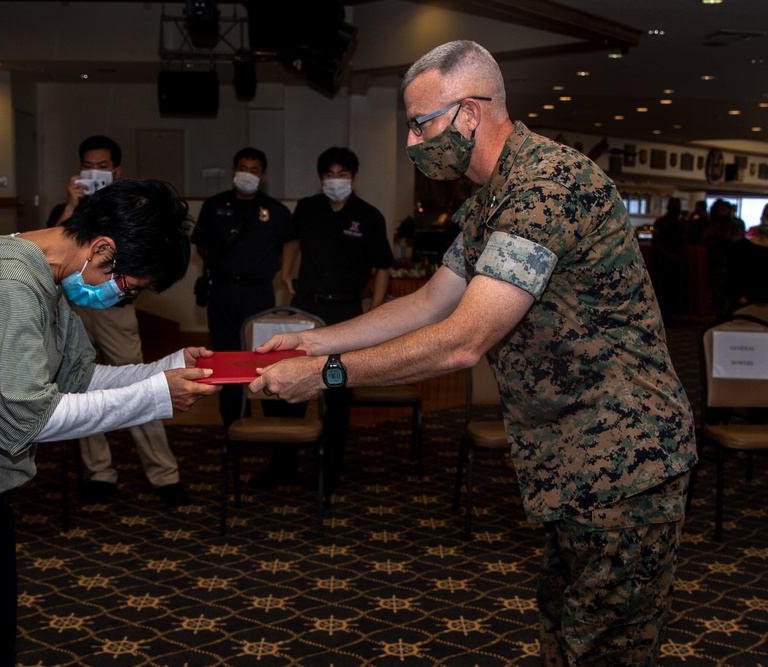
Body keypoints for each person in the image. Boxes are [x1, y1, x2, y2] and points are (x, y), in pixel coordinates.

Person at [251, 40, 696, 665]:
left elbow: (462, 339)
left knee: (604, 648)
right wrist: (313, 338)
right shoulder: (494, 199)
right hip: (572, 456)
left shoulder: (548, 185)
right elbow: (431, 301)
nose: (410, 143)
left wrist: (326, 374)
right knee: (565, 633)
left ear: (468, 114)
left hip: (624, 459)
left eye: (419, 123)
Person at [0, 179, 219, 667]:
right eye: (127, 288)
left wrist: (165, 368)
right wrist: (156, 397)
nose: (121, 301)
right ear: (103, 249)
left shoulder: (42, 276)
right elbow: (32, 416)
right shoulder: (6, 284)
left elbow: (77, 378)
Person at [47, 135, 189, 506]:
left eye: (102, 166)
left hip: (116, 310)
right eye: (89, 165)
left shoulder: (127, 211)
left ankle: (164, 475)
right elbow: (53, 253)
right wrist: (73, 203)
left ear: (117, 170)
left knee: (141, 384)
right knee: (78, 387)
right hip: (74, 311)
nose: (96, 172)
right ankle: (100, 472)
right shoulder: (71, 208)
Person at [252, 146, 394, 493]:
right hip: (305, 311)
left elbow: (383, 268)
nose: (335, 181)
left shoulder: (370, 216)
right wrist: (286, 272)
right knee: (289, 386)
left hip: (347, 312)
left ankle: (330, 470)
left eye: (342, 174)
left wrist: (373, 312)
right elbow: (292, 241)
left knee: (338, 392)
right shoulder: (307, 208)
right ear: (320, 178)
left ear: (354, 177)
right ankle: (283, 464)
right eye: (328, 174)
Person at [191, 147, 292, 426]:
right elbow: (203, 247)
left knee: (264, 360)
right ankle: (234, 423)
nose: (247, 174)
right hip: (223, 293)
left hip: (259, 294)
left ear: (264, 175)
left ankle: (272, 425)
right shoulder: (213, 206)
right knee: (225, 358)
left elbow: (289, 247)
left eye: (254, 169)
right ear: (233, 171)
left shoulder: (278, 212)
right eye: (243, 168)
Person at [726, 203, 768, 311]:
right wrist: (740, 298)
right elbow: (732, 279)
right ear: (762, 218)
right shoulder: (741, 248)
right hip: (746, 308)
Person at [650, 197, 686, 319]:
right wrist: (668, 255)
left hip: (676, 262)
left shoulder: (681, 223)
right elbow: (656, 242)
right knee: (662, 290)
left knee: (674, 290)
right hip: (662, 262)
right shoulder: (661, 222)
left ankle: (672, 314)